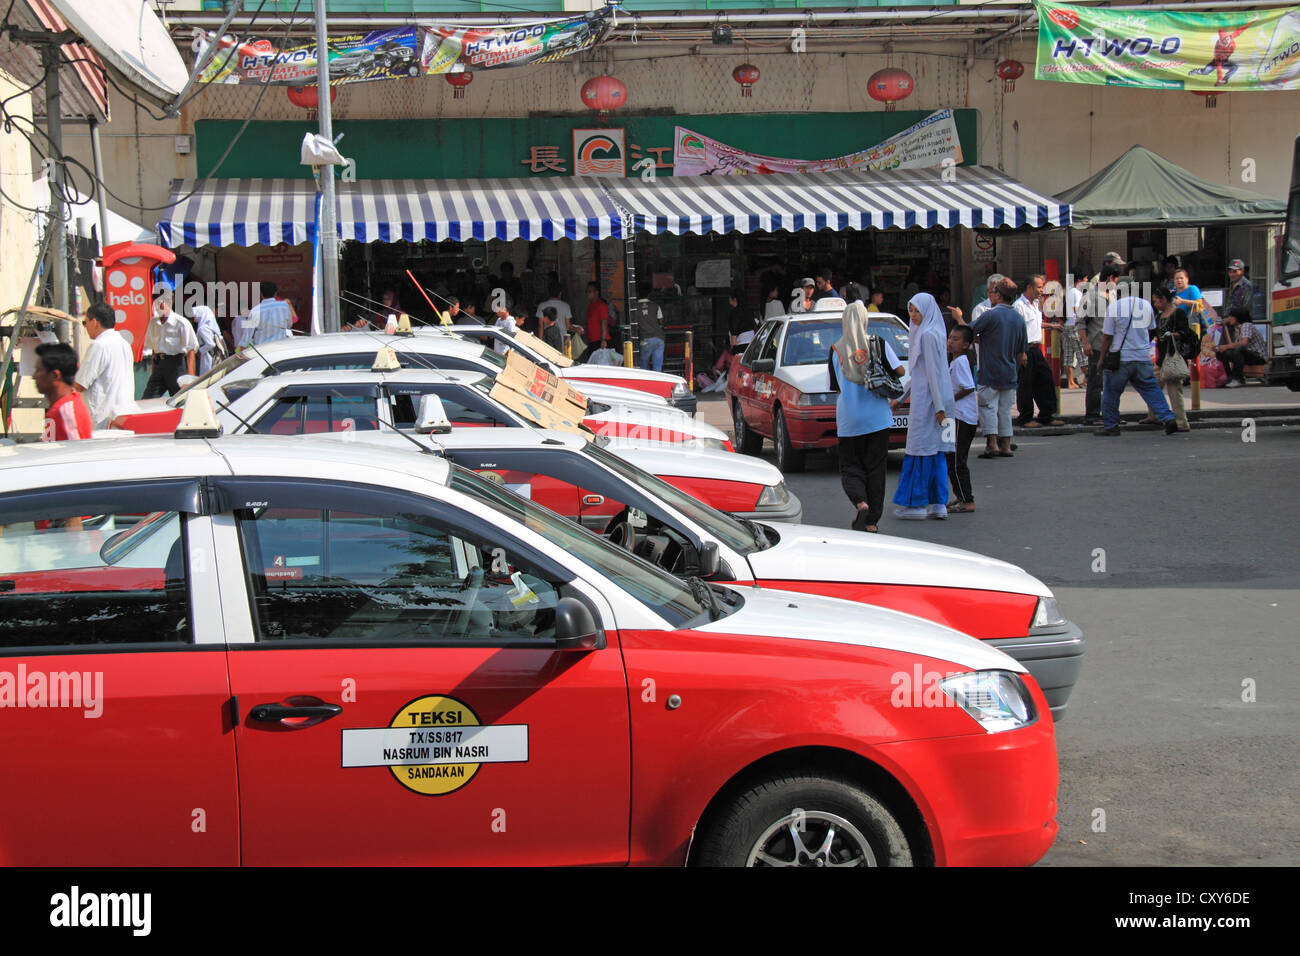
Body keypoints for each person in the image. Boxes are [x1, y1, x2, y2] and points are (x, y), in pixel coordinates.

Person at [827, 302, 902, 534]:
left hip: (849, 420)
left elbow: (835, 387)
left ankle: (861, 502)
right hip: (877, 418)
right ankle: (871, 522)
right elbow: (899, 371)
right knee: (876, 469)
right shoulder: (878, 343)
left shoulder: (835, 349)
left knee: (850, 466)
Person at [891, 293, 956, 520]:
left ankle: (916, 505)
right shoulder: (936, 332)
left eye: (917, 310)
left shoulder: (926, 336)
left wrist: (938, 407)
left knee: (918, 450)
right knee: (938, 452)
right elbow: (924, 374)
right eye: (910, 311)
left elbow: (931, 375)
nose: (913, 315)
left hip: (929, 403)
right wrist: (900, 398)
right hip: (940, 401)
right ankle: (940, 504)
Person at [1097, 286, 1178, 436]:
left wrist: (1101, 359)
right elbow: (1151, 329)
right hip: (1142, 357)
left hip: (1121, 358)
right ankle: (1168, 418)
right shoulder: (1146, 305)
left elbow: (1107, 336)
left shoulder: (1114, 307)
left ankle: (1111, 426)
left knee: (1111, 392)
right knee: (1151, 389)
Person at [971, 277, 1027, 459]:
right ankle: (1006, 445)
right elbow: (1021, 352)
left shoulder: (990, 314)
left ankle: (992, 444)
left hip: (990, 372)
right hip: (1009, 372)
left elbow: (967, 332)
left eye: (993, 292)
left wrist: (958, 318)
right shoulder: (1018, 319)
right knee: (1004, 410)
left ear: (999, 295)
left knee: (988, 407)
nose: (991, 295)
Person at [74, 302, 134, 430]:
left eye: (85, 323)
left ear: (94, 322)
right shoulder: (124, 343)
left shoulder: (99, 345)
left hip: (103, 420)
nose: (86, 328)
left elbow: (80, 384)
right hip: (123, 415)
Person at [1014, 275, 1063, 427]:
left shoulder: (1035, 304)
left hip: (1036, 349)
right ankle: (1026, 417)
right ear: (1029, 287)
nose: (1042, 290)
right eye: (1039, 287)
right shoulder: (1019, 306)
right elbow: (1018, 330)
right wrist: (1021, 352)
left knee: (1045, 380)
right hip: (1025, 349)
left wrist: (1052, 326)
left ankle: (1046, 415)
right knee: (1026, 384)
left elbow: (1035, 324)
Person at [1080, 263, 1121, 425]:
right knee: (1095, 382)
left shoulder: (1112, 295)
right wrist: (1085, 343)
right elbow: (1081, 322)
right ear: (1110, 278)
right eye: (1116, 280)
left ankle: (1110, 414)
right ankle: (1092, 415)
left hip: (1112, 346)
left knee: (1111, 383)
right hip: (1096, 345)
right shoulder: (1090, 295)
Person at [945, 325, 978, 513]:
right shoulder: (954, 362)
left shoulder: (960, 362)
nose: (951, 341)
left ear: (966, 344)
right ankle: (960, 496)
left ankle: (967, 500)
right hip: (956, 417)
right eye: (950, 337)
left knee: (957, 460)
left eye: (956, 339)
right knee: (951, 457)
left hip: (962, 417)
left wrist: (949, 400)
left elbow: (967, 387)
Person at [1152, 286, 1194, 431]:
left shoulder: (1178, 313)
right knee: (1153, 386)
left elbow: (1185, 333)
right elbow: (1152, 333)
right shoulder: (1159, 316)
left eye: (1156, 301)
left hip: (1173, 357)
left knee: (1174, 390)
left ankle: (1181, 423)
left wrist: (1172, 335)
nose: (1155, 304)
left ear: (1163, 299)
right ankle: (1154, 416)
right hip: (1161, 358)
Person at [142, 291, 198, 398]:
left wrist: (189, 378)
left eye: (161, 303)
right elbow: (154, 349)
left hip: (176, 365)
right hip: (159, 364)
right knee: (148, 399)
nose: (158, 307)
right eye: (156, 303)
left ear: (170, 303)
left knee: (180, 399)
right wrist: (154, 371)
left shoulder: (181, 323)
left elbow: (191, 350)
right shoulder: (153, 323)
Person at [34, 343, 93, 442]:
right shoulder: (61, 408)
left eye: (38, 370)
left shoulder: (66, 413)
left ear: (55, 375)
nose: (34, 376)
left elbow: (75, 454)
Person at [1215, 305, 1269, 387]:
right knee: (1221, 353)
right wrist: (1222, 348)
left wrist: (1226, 346)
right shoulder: (1237, 328)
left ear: (1238, 318)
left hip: (1258, 356)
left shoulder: (1246, 325)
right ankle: (1230, 377)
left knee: (1238, 349)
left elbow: (1244, 343)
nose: (1229, 318)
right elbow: (1233, 345)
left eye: (1231, 317)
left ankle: (1237, 379)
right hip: (1246, 355)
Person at [243, 281, 296, 347]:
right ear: (275, 293)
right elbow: (289, 325)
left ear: (261, 293)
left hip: (262, 350)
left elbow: (246, 335)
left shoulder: (254, 310)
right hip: (281, 348)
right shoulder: (284, 306)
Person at [1062, 273, 1088, 389]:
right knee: (1082, 354)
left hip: (1067, 325)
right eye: (1085, 278)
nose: (1087, 281)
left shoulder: (1069, 292)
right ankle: (1089, 380)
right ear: (1079, 279)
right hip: (1075, 325)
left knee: (1068, 356)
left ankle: (1070, 382)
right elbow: (1076, 310)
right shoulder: (1077, 293)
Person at [191, 296, 223, 376]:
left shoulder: (203, 328)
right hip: (212, 356)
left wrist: (199, 351)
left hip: (206, 357)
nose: (194, 317)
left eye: (196, 314)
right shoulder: (210, 326)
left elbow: (211, 344)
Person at [637, 284, 666, 371]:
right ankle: (657, 382)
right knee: (657, 367)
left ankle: (646, 383)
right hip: (659, 339)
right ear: (649, 294)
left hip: (645, 340)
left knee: (644, 366)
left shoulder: (634, 308)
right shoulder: (656, 306)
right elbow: (661, 321)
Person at [579, 281, 610, 362]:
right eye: (586, 291)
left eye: (589, 291)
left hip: (600, 341)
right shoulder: (591, 306)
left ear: (596, 292)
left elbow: (604, 323)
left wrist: (603, 340)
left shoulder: (601, 305)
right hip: (592, 341)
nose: (587, 294)